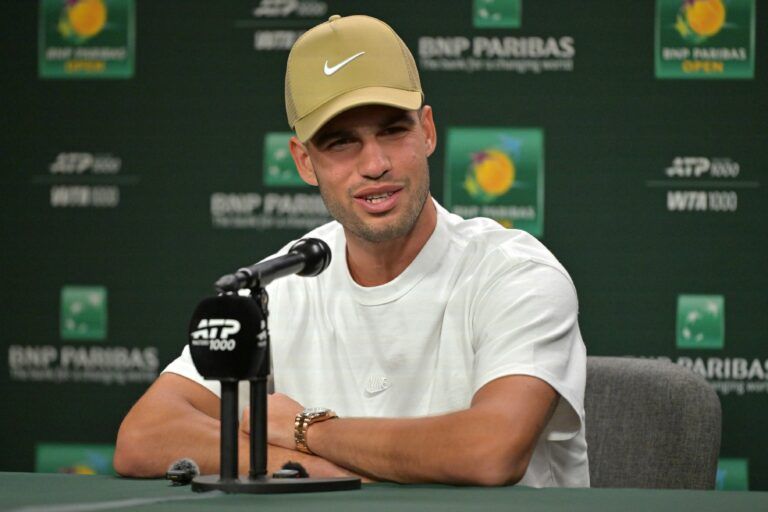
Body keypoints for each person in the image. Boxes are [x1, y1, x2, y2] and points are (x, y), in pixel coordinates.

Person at [114, 14, 589, 487]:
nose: (375, 164)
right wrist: (327, 474)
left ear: (427, 130)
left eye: (392, 131)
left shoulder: (515, 273)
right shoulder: (281, 285)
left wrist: (306, 430)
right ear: (303, 161)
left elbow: (490, 451)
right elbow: (145, 435)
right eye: (341, 143)